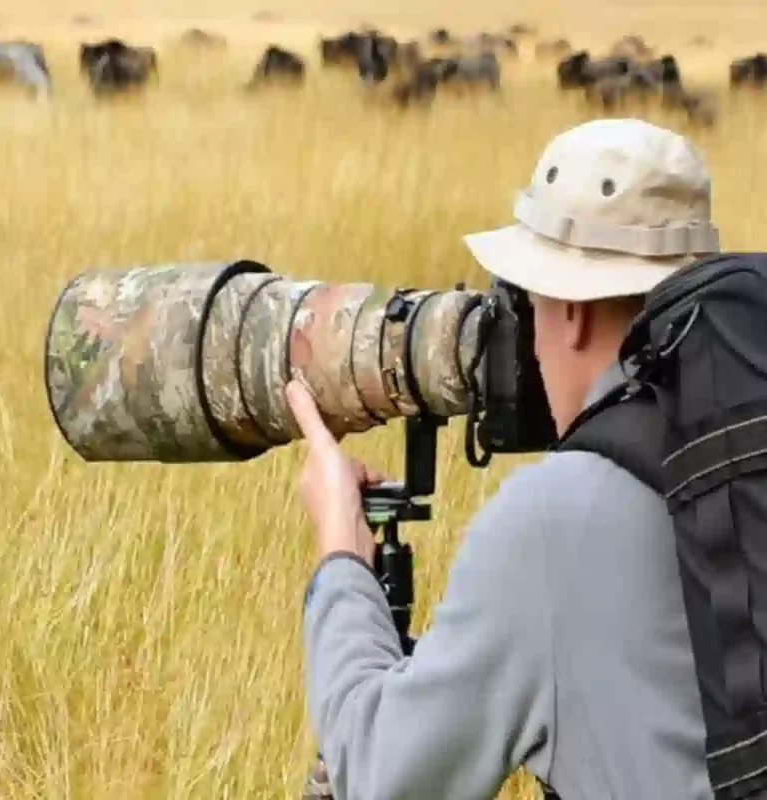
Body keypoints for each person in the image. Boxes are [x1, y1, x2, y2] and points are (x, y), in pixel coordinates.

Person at [288, 117, 718, 799]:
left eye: (523, 300)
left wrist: (343, 558)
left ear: (569, 310)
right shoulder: (737, 451)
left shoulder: (555, 522)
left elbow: (382, 776)